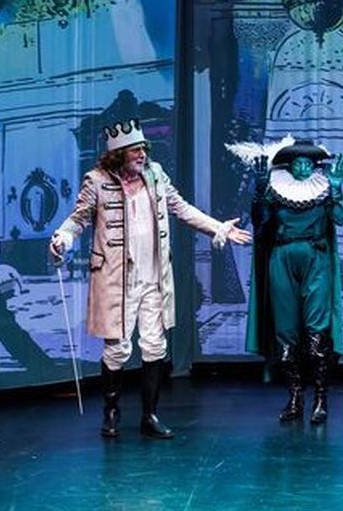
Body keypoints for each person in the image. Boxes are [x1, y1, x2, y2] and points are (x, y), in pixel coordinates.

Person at [50, 119, 250, 438]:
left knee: (155, 345)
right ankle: (111, 413)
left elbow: (182, 208)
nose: (142, 154)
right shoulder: (97, 181)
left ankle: (149, 415)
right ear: (118, 154)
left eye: (144, 149)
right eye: (135, 150)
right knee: (117, 348)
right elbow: (79, 219)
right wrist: (63, 238)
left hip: (154, 275)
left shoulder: (155, 175)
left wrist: (218, 228)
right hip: (117, 277)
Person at [241, 139, 343, 424]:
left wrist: (336, 190)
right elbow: (260, 222)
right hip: (282, 258)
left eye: (307, 163)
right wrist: (259, 193)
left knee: (316, 335)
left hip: (316, 259)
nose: (302, 168)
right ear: (290, 166)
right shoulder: (277, 189)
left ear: (314, 166)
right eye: (297, 163)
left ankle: (321, 399)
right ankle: (295, 397)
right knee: (286, 335)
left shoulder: (323, 189)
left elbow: (340, 219)